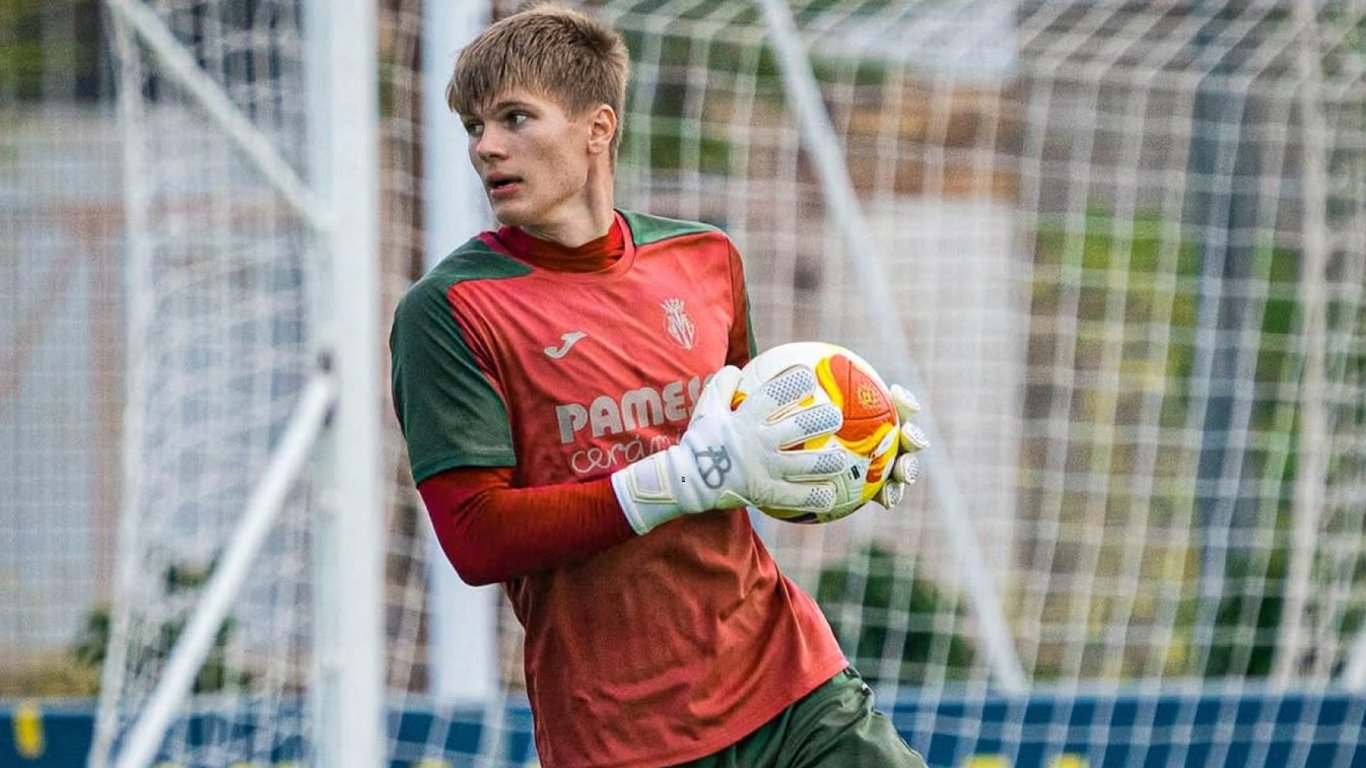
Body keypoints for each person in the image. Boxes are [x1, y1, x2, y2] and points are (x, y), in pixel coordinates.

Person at [389, 5, 929, 767]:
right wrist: (674, 481)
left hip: (791, 684)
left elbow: (740, 460)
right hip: (622, 737)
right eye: (474, 126)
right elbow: (476, 539)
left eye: (515, 117)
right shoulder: (448, 310)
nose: (487, 147)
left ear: (598, 127)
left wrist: (848, 455)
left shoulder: (706, 258)